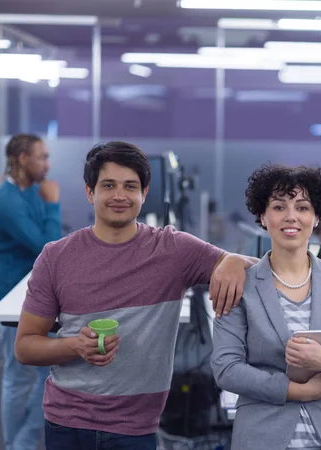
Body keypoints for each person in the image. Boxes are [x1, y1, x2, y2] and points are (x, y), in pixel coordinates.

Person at [14, 141, 255, 450]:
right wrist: (75, 345)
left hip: (135, 428)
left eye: (130, 186)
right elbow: (25, 346)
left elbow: (254, 268)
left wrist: (232, 259)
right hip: (67, 422)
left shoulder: (173, 251)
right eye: (108, 185)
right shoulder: (56, 257)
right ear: (90, 192)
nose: (119, 195)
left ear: (144, 193)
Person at [211, 165, 321, 450]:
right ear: (263, 217)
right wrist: (298, 391)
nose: (291, 216)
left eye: (302, 207)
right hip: (262, 437)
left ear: (316, 217)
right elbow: (227, 368)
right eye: (278, 207)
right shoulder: (241, 283)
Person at [0, 133, 61, 450]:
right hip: (10, 300)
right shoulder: (7, 201)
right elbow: (45, 248)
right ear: (23, 159)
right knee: (18, 379)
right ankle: (17, 444)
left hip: (34, 297)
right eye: (42, 157)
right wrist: (54, 204)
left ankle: (24, 440)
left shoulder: (29, 192)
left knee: (50, 372)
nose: (48, 163)